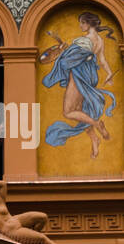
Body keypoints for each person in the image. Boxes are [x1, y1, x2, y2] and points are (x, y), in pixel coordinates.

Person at [41, 11, 116, 158]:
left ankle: (97, 124)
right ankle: (95, 140)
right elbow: (102, 59)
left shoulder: (85, 40)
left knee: (68, 111)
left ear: (88, 23)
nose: (80, 25)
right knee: (81, 112)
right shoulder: (99, 41)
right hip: (89, 76)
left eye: (82, 22)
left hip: (78, 76)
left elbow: (71, 58)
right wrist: (108, 74)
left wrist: (61, 51)